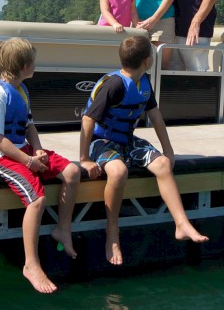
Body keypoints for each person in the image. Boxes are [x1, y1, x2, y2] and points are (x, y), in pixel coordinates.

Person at [79, 35, 209, 265]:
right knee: (118, 172)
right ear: (148, 60)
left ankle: (181, 223)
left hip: (127, 140)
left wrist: (168, 151)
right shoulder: (114, 85)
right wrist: (84, 158)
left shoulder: (144, 81)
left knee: (162, 165)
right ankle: (112, 232)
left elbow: (156, 117)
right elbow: (88, 119)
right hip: (102, 141)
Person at [0, 37, 81, 294]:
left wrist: (38, 150)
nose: (35, 64)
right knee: (36, 200)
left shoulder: (21, 90)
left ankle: (63, 229)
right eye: (32, 60)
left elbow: (29, 125)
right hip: (1, 156)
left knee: (73, 171)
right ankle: (31, 264)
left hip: (23, 149)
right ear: (23, 66)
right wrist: (29, 162)